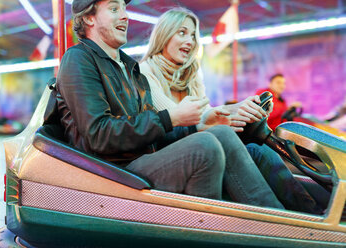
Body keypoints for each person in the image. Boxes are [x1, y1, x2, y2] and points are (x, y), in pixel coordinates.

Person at [55, 0, 285, 208]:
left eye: (125, 9)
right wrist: (171, 118)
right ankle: (208, 231)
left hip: (139, 161)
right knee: (205, 147)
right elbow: (99, 134)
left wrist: (199, 125)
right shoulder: (79, 59)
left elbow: (151, 134)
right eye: (114, 9)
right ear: (88, 18)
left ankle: (283, 224)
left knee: (221, 134)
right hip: (111, 173)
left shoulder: (129, 68)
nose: (125, 16)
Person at [140, 8, 322, 214]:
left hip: (198, 140)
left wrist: (240, 108)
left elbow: (206, 113)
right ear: (164, 34)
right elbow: (177, 118)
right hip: (173, 151)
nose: (190, 41)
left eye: (193, 35)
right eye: (182, 33)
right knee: (225, 135)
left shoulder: (190, 74)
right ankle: (275, 219)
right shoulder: (146, 72)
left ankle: (311, 214)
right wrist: (227, 114)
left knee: (260, 150)